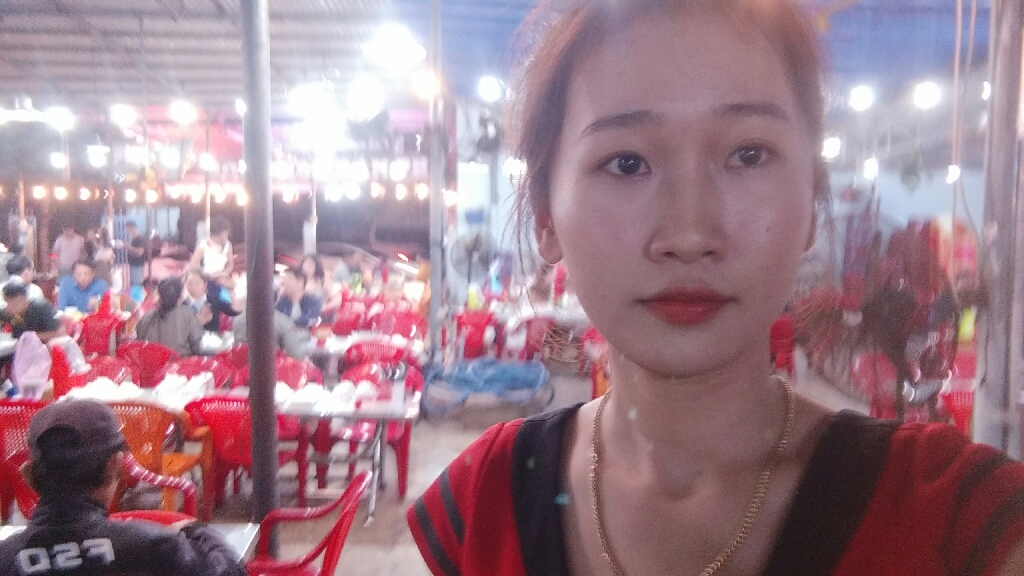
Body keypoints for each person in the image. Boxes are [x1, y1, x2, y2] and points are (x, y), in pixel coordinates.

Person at [407, 2, 1024, 576]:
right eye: (627, 163)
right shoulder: (483, 502)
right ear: (546, 217)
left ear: (812, 201)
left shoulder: (954, 519)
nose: (689, 234)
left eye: (748, 154)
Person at [0, 400, 247, 575]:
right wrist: (195, 530)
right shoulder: (155, 547)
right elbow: (230, 570)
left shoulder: (6, 558)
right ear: (114, 465)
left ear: (29, 475)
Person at [137, 277, 208, 357]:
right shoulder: (187, 313)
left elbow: (139, 340)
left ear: (159, 294)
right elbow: (197, 344)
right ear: (180, 295)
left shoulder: (148, 315)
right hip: (179, 362)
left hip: (152, 362)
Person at [184, 268, 239, 332]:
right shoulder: (182, 306)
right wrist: (197, 323)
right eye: (190, 283)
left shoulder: (214, 300)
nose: (193, 287)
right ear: (186, 285)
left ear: (205, 285)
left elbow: (234, 311)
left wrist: (230, 289)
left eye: (197, 283)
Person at [190, 218, 234, 287]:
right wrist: (206, 275)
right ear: (218, 234)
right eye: (225, 234)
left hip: (221, 278)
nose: (227, 236)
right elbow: (193, 265)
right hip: (206, 279)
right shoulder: (204, 245)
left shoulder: (228, 245)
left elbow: (230, 265)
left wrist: (223, 273)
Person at [123, 221, 148, 290]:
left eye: (128, 229)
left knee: (136, 285)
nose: (127, 231)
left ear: (133, 228)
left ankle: (137, 296)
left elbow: (139, 252)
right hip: (133, 265)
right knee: (134, 285)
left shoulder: (140, 239)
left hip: (137, 266)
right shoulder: (134, 239)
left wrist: (127, 246)